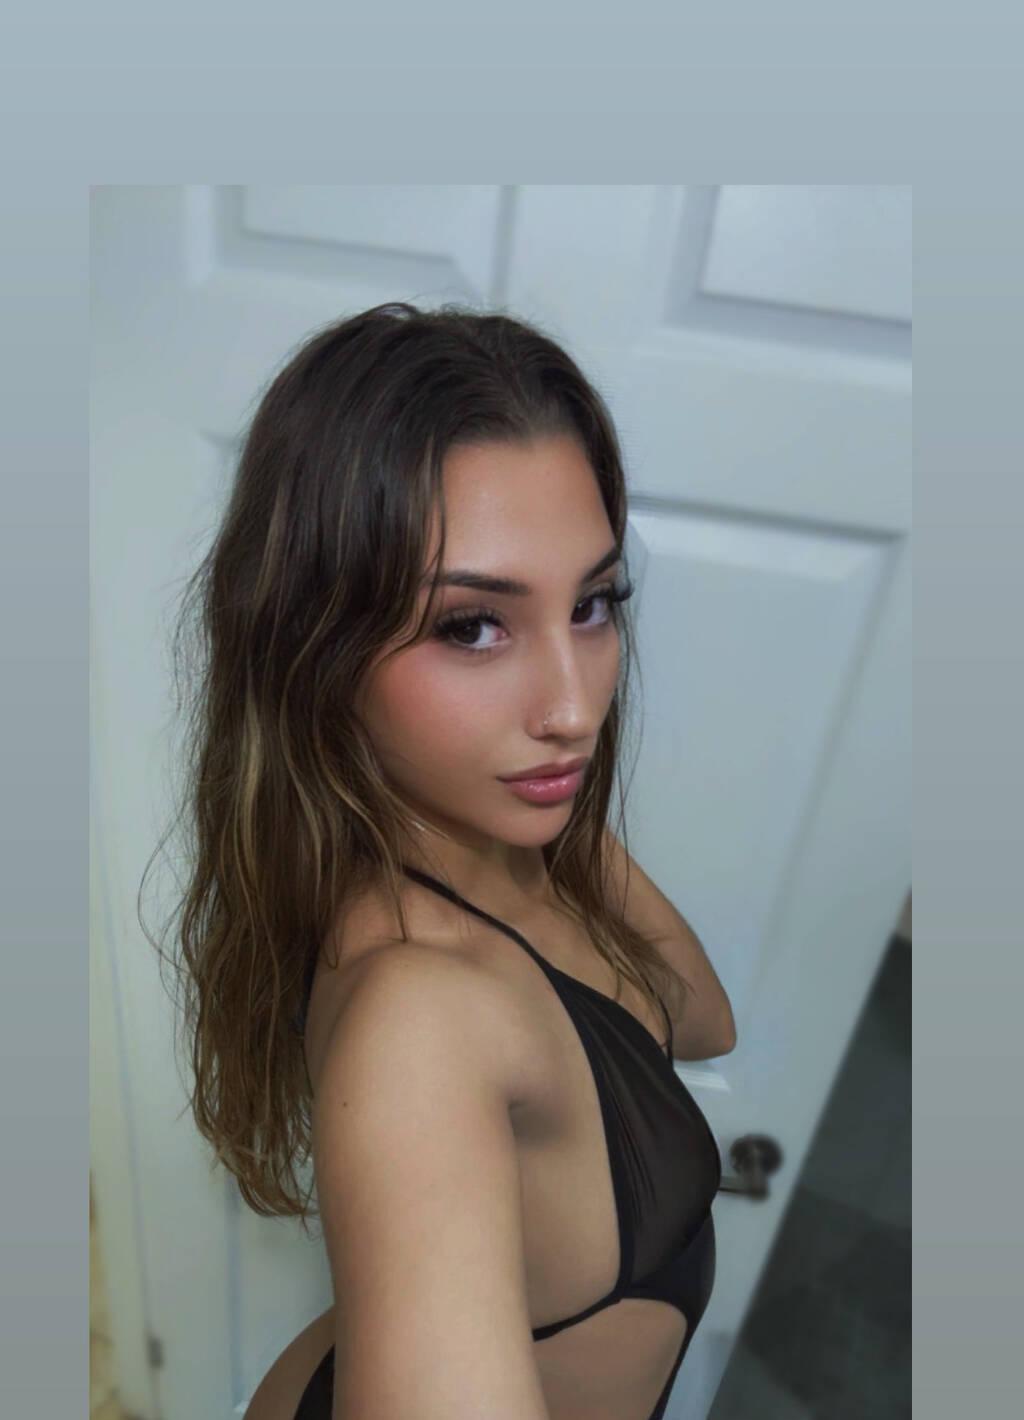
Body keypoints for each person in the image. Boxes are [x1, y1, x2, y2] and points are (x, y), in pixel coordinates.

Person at [146, 301, 737, 1419]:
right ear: (313, 646)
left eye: (593, 603)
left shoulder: (490, 837)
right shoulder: (419, 1020)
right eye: (472, 626)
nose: (573, 707)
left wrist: (562, 825)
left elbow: (702, 1023)